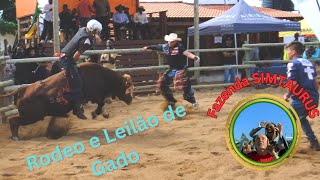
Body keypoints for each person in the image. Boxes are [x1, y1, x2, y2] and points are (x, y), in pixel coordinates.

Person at [58, 19, 102, 120]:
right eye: (96, 31)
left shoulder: (82, 30)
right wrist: (73, 64)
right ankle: (77, 109)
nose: (97, 33)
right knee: (77, 84)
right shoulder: (86, 41)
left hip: (64, 55)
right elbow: (76, 56)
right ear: (92, 30)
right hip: (67, 59)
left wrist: (95, 36)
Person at [143, 33, 200, 109]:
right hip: (172, 69)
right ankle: (171, 101)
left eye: (172, 41)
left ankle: (193, 102)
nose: (170, 43)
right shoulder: (165, 47)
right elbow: (157, 47)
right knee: (162, 83)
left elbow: (187, 53)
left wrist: (194, 57)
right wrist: (148, 47)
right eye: (169, 41)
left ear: (175, 41)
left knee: (186, 86)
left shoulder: (179, 47)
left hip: (181, 69)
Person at [284, 41, 320, 151]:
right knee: (301, 118)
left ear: (293, 52)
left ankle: (284, 146)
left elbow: (293, 83)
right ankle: (314, 142)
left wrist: (287, 95)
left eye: (289, 50)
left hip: (301, 98)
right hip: (313, 97)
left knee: (287, 118)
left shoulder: (293, 63)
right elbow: (315, 82)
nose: (288, 52)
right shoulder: (308, 63)